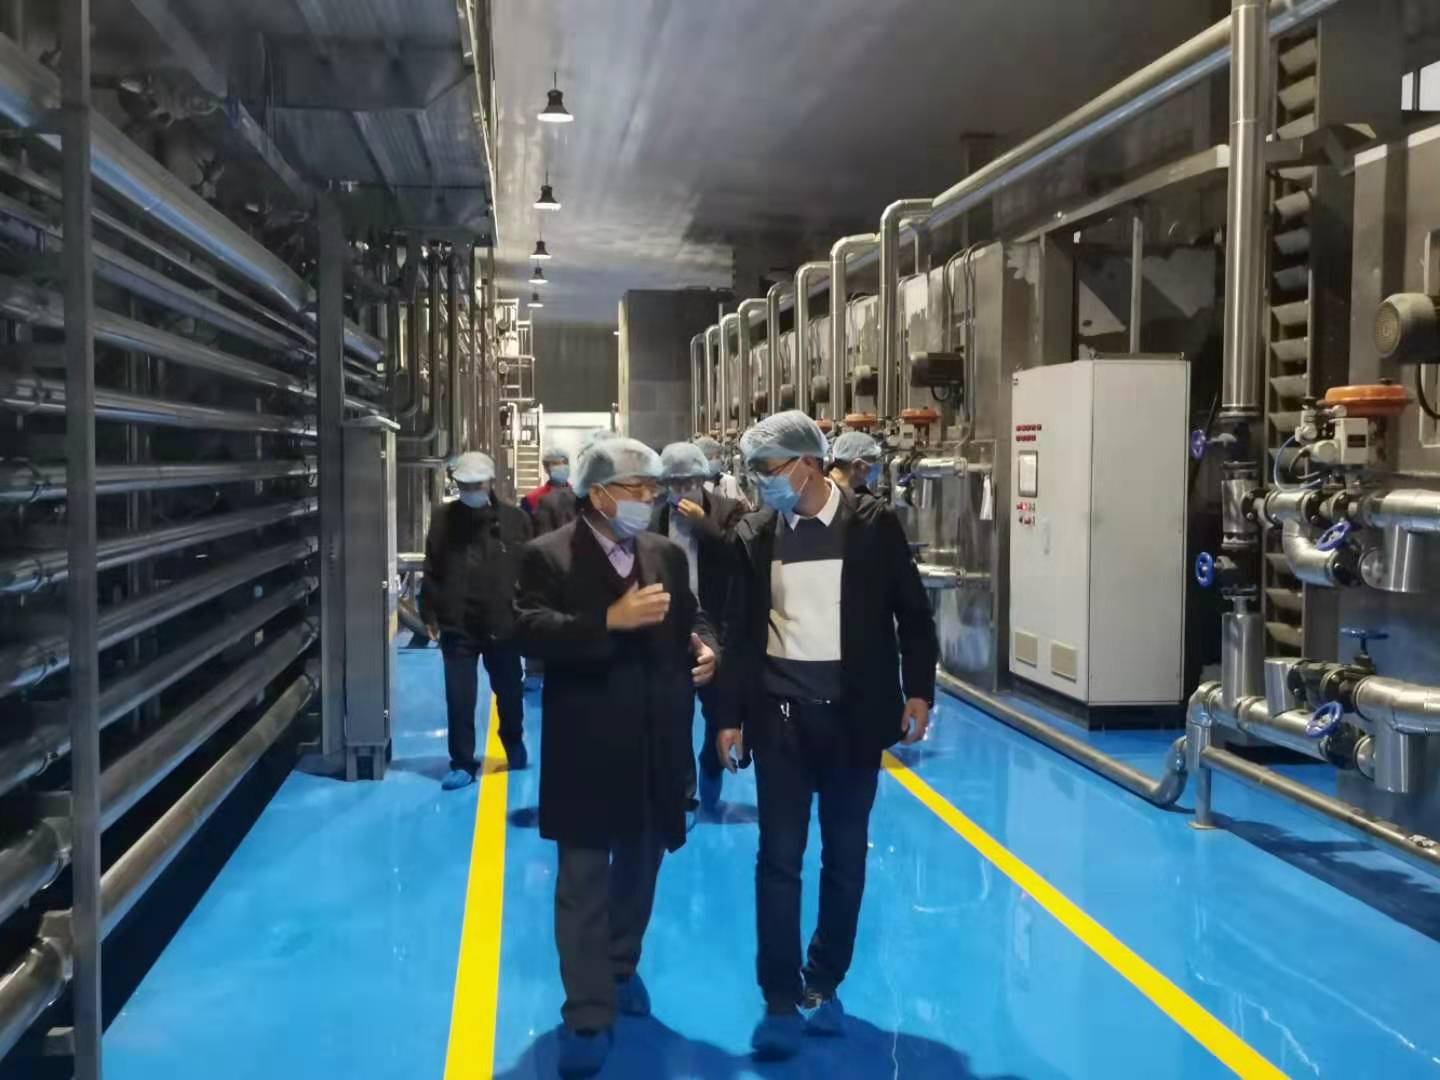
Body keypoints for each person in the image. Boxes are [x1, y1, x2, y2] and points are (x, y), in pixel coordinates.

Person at [715, 410, 937, 1059]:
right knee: (778, 859)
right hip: (780, 721)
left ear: (807, 463)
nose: (761, 483)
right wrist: (728, 716)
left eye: (769, 469)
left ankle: (824, 979)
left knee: (844, 858)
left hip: (852, 721)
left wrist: (919, 689)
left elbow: (912, 615)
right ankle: (780, 993)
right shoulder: (755, 535)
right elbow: (737, 633)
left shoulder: (872, 526)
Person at [513, 436, 719, 1079]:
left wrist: (705, 647)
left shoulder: (664, 555)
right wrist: (609, 620)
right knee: (582, 881)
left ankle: (621, 965)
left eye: (654, 490)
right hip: (587, 744)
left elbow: (692, 617)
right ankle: (586, 1012)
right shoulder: (548, 556)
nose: (650, 500)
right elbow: (527, 629)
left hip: (657, 739)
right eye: (639, 489)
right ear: (599, 494)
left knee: (640, 865)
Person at [419, 452, 533, 790]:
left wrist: (528, 612)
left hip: (503, 622)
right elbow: (432, 566)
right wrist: (429, 611)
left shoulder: (515, 520)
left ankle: (512, 738)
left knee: (510, 690)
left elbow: (531, 568)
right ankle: (462, 762)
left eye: (476, 485)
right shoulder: (443, 519)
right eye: (464, 486)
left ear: (490, 483)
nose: (470, 491)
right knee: (460, 697)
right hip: (458, 624)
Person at [651, 441, 746, 815]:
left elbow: (738, 556)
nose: (681, 490)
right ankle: (685, 794)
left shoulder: (728, 510)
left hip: (715, 619)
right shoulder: (654, 515)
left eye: (689, 482)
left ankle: (711, 761)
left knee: (718, 705)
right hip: (670, 622)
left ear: (703, 478)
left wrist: (703, 525)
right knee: (675, 712)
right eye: (673, 483)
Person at [693, 434, 752, 510]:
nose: (720, 460)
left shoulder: (729, 481)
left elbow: (746, 507)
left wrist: (743, 507)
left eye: (718, 457)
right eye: (711, 458)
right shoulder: (690, 487)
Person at [828, 430, 884, 497]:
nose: (875, 466)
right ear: (857, 465)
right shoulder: (830, 497)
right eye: (873, 460)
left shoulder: (828, 484)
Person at [523, 448, 572, 516]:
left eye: (565, 463)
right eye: (556, 463)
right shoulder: (531, 499)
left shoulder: (579, 497)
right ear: (546, 468)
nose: (562, 466)